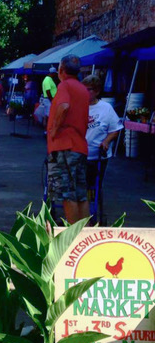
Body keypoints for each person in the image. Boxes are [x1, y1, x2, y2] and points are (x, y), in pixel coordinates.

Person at [47, 55, 90, 224]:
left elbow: (64, 106)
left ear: (61, 70)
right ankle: (84, 233)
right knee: (80, 193)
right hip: (79, 145)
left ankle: (72, 235)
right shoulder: (82, 88)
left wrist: (54, 130)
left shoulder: (64, 85)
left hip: (65, 145)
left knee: (67, 192)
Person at [82, 75, 123, 216]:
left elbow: (116, 129)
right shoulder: (77, 105)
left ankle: (91, 211)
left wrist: (106, 141)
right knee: (79, 184)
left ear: (97, 91)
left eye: (89, 90)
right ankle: (82, 210)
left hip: (97, 155)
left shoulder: (106, 108)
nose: (85, 92)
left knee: (94, 185)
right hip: (79, 154)